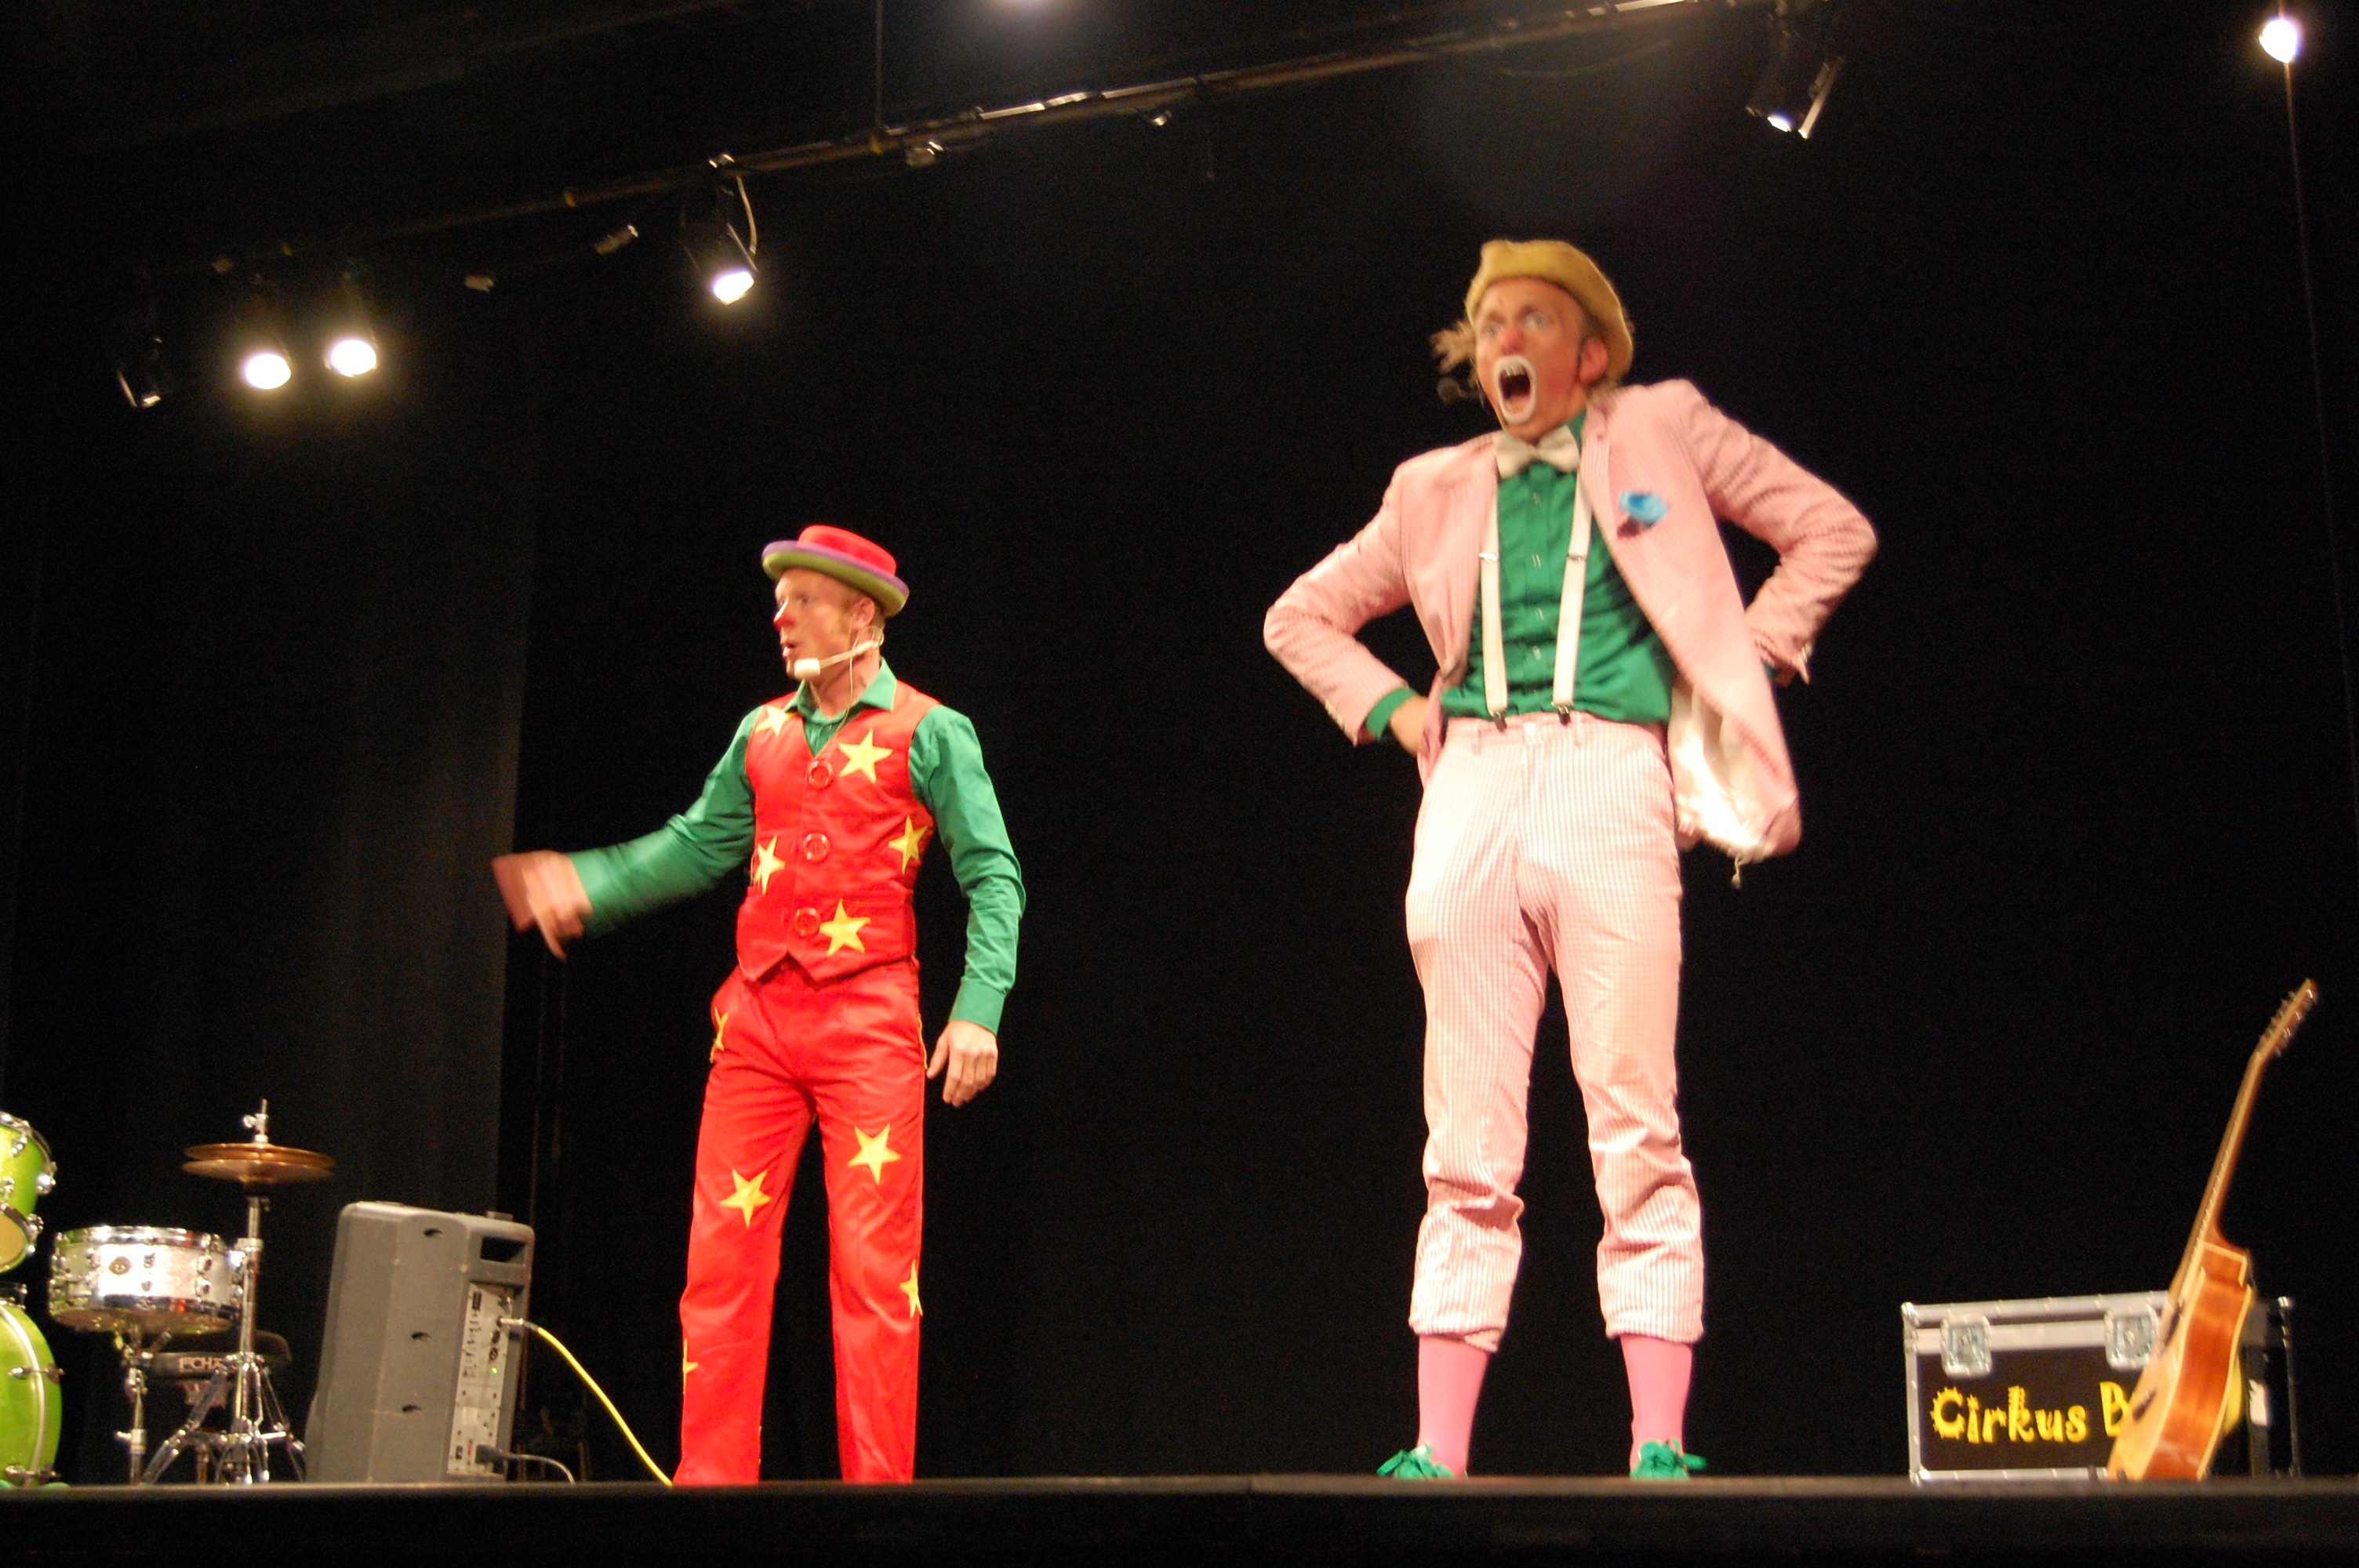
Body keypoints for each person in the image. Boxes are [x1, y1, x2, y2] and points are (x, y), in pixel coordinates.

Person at [1263, 240, 1874, 1479]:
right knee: (1465, 1138)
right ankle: (1438, 1448)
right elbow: (1300, 615)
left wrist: (1736, 658)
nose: (1506, 341)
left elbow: (1830, 530)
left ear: (1590, 353)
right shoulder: (1431, 486)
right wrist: (1397, 710)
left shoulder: (1663, 429)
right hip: (1473, 785)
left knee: (1634, 1118)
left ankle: (1658, 1439)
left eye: (1533, 320)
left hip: (1612, 773)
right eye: (1490, 323)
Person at [493, 524, 1023, 1485]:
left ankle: (877, 1504)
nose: (780, 618)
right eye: (779, 602)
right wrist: (589, 882)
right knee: (719, 1267)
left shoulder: (929, 730)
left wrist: (976, 1006)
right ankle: (710, 1496)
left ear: (861, 615)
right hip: (757, 1025)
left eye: (803, 600)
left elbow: (993, 874)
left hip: (868, 1022)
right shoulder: (762, 731)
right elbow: (698, 843)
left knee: (875, 1278)